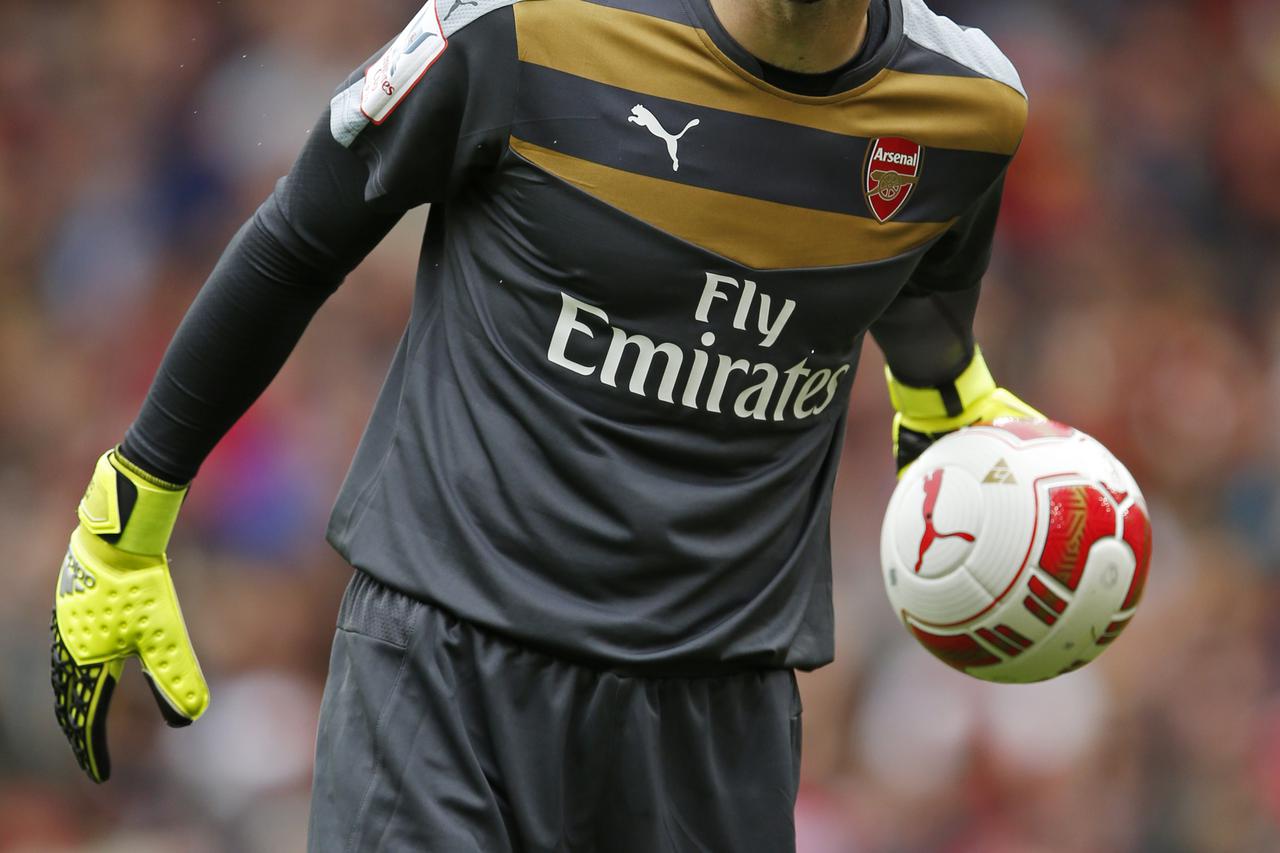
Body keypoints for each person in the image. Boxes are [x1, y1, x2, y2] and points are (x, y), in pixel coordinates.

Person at [49, 0, 1041, 848]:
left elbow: (926, 297)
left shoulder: (967, 111)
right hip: (444, 671)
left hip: (715, 718)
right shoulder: (525, 27)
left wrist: (950, 408)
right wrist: (128, 514)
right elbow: (298, 239)